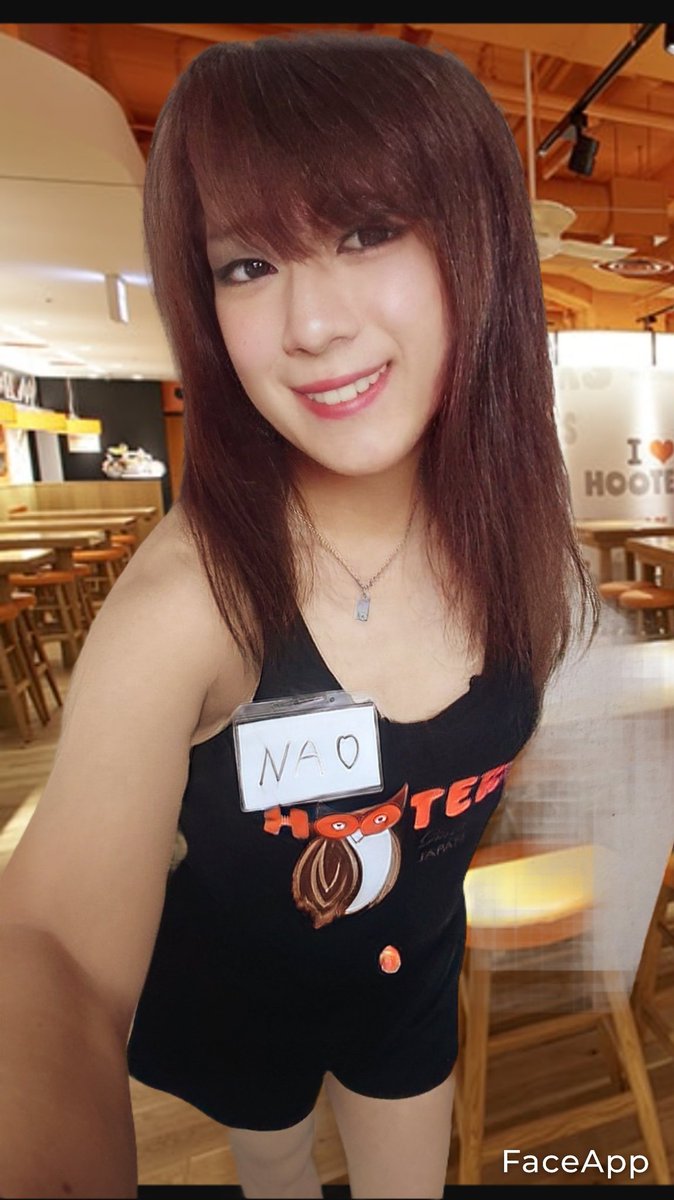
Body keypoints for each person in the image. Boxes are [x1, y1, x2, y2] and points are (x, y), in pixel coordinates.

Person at [0, 29, 599, 1200]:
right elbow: (51, 945)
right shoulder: (195, 595)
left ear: (474, 242)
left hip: (408, 984)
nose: (310, 324)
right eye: (245, 265)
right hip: (237, 1002)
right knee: (272, 1167)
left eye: (366, 232)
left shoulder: (517, 534)